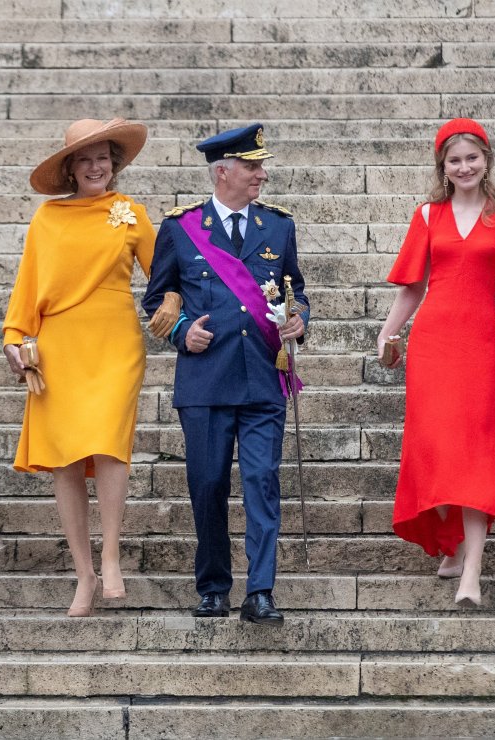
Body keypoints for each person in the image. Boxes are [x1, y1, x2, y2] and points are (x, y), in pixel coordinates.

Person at [142, 123, 308, 626]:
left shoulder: (277, 226)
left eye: (260, 166)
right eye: (252, 166)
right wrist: (181, 332)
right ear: (222, 172)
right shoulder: (181, 228)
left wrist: (299, 319)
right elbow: (155, 299)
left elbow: (296, 290)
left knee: (261, 481)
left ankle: (260, 591)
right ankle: (214, 587)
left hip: (262, 376)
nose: (261, 175)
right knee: (208, 483)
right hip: (206, 380)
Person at [377, 118, 495, 607]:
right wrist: (387, 332)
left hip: (479, 345)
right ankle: (451, 541)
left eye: (472, 158)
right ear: (442, 167)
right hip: (433, 344)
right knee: (438, 448)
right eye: (455, 160)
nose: (464, 167)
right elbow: (413, 287)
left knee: (475, 453)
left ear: (486, 160)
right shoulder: (428, 215)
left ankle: (472, 569)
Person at [2, 118, 155, 617]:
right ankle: (84, 574)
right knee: (65, 459)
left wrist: (177, 303)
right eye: (85, 159)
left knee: (109, 442)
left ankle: (111, 555)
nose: (95, 167)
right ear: (70, 168)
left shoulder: (131, 214)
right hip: (59, 345)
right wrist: (14, 337)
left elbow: (165, 279)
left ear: (115, 163)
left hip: (115, 344)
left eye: (103, 158)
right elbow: (27, 284)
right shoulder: (47, 218)